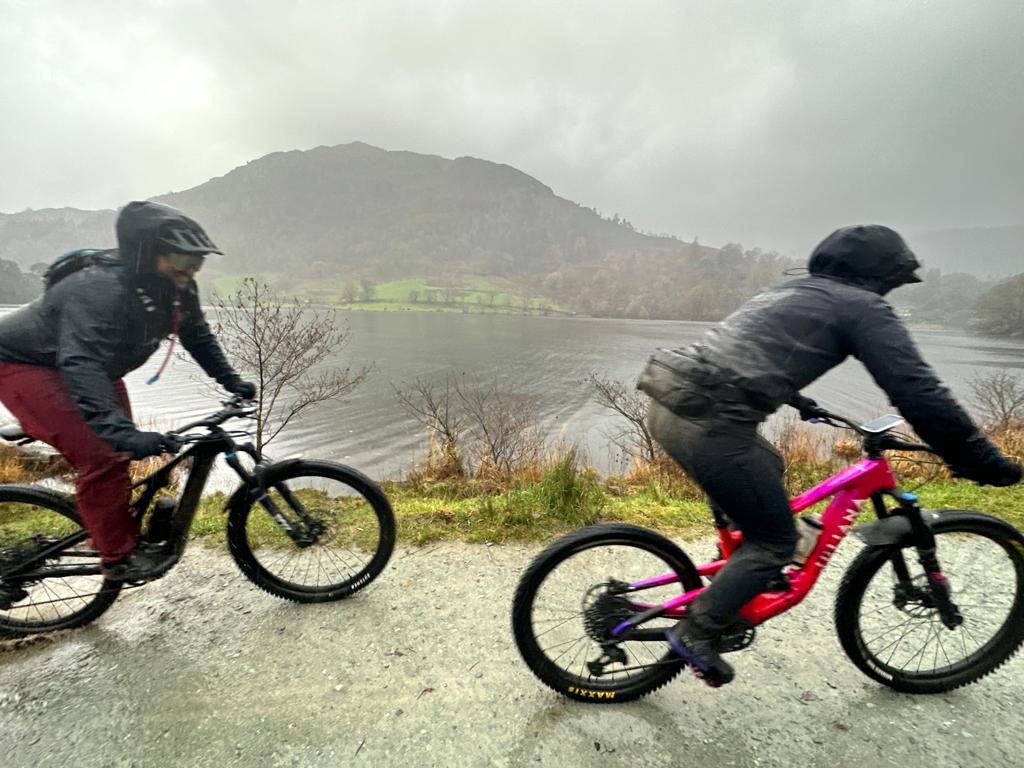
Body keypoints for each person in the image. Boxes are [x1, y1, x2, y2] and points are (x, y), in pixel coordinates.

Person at [637, 224, 1022, 687]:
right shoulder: (863, 307)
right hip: (712, 425)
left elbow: (751, 349)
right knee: (775, 542)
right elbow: (921, 393)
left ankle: (741, 568)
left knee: (769, 469)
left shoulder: (794, 289)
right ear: (879, 275)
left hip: (669, 402)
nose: (891, 293)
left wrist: (799, 401)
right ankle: (697, 630)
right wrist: (979, 460)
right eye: (892, 282)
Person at [0, 201, 255, 582]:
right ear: (146, 253)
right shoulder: (99, 289)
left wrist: (231, 381)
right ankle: (119, 557)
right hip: (26, 365)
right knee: (105, 455)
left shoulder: (175, 288)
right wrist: (120, 433)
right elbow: (80, 363)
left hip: (88, 369)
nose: (189, 271)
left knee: (118, 452)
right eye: (180, 260)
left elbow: (197, 336)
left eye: (196, 263)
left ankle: (106, 530)